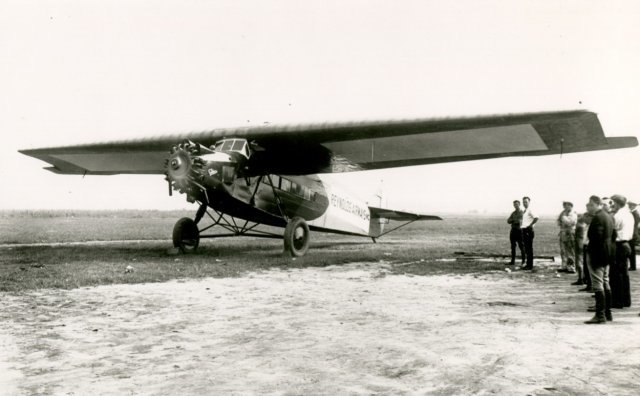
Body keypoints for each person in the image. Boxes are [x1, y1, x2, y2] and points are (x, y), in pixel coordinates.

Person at [585, 195, 614, 324]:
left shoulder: (598, 217)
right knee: (605, 282)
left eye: (591, 204)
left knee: (597, 284)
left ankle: (600, 315)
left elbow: (595, 236)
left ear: (597, 204)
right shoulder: (608, 216)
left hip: (597, 254)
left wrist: (590, 249)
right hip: (607, 253)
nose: (589, 207)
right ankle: (608, 313)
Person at [609, 194, 633, 309]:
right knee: (624, 274)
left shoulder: (618, 215)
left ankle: (617, 301)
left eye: (612, 202)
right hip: (627, 244)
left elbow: (612, 230)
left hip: (619, 245)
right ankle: (625, 300)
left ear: (617, 203)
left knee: (616, 274)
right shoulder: (629, 214)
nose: (611, 205)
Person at [557, 201, 577, 273]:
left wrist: (563, 218)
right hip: (563, 233)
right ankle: (564, 265)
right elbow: (558, 222)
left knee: (570, 250)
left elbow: (570, 223)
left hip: (570, 233)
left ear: (571, 206)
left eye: (567, 205)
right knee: (563, 250)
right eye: (564, 205)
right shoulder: (562, 213)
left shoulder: (573, 214)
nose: (565, 207)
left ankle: (571, 267)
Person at [520, 196, 538, 270]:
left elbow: (536, 217)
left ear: (529, 202)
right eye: (523, 202)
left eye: (526, 202)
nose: (524, 203)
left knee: (529, 249)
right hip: (524, 230)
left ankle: (530, 265)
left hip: (528, 230)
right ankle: (528, 264)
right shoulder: (525, 210)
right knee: (527, 248)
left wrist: (530, 226)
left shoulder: (530, 210)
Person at [573, 213, 589, 285]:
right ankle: (584, 278)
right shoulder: (585, 226)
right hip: (583, 244)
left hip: (579, 244)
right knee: (583, 262)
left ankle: (581, 278)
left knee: (579, 262)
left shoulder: (580, 225)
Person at [507, 200, 525, 266]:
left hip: (519, 231)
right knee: (513, 246)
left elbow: (519, 221)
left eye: (517, 204)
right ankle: (512, 261)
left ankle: (523, 261)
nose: (515, 205)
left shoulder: (522, 212)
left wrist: (513, 221)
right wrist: (514, 221)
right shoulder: (513, 213)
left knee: (521, 246)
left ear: (519, 204)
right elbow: (508, 220)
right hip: (513, 231)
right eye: (514, 204)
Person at [628, 200, 639, 271]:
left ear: (634, 205)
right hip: (633, 233)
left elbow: (634, 224)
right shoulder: (634, 213)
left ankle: (633, 266)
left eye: (630, 205)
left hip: (633, 233)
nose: (629, 206)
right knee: (632, 251)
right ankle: (632, 265)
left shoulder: (635, 213)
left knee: (632, 251)